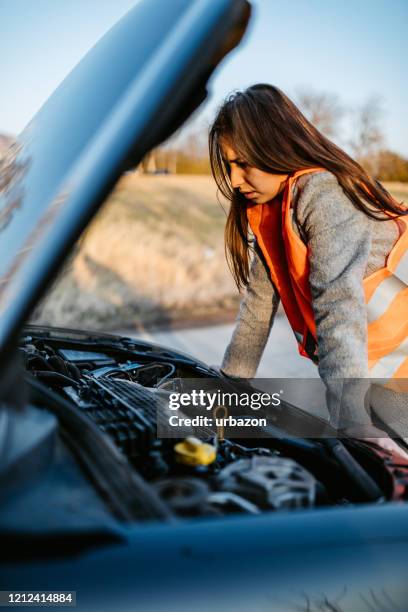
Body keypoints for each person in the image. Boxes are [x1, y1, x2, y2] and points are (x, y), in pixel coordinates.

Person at [209, 83, 408, 441]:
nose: (235, 181)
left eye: (242, 163)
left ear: (275, 146)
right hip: (374, 372)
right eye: (228, 166)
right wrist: (229, 383)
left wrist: (348, 420)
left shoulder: (324, 193)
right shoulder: (271, 210)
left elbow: (339, 306)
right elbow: (257, 306)